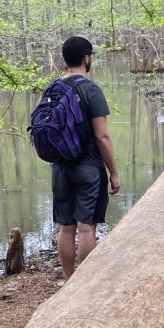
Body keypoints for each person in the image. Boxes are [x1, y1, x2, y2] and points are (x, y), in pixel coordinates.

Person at [52, 35, 120, 280]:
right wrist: (113, 172)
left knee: (66, 227)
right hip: (88, 168)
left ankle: (69, 282)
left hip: (59, 167)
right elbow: (102, 136)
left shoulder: (53, 89)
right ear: (86, 58)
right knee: (86, 227)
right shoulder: (91, 90)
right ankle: (84, 287)